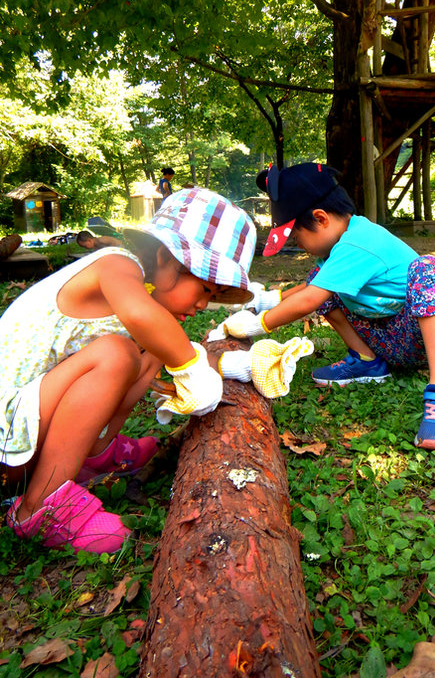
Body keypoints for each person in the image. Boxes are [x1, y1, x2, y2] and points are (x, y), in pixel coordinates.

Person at [0, 188, 258, 554]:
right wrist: (192, 366)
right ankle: (38, 505)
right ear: (163, 257)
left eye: (213, 296)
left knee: (152, 343)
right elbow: (140, 315)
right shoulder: (116, 265)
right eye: (202, 287)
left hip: (30, 435)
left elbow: (154, 330)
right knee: (116, 352)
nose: (203, 303)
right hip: (7, 441)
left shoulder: (148, 298)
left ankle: (94, 454)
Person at [219, 162, 435, 452]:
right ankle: (368, 362)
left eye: (297, 237)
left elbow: (310, 300)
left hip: (421, 340)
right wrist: (268, 300)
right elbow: (310, 290)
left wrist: (258, 323)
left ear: (321, 218)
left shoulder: (360, 241)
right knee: (318, 281)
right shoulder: (337, 250)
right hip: (388, 338)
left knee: (429, 268)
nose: (299, 246)